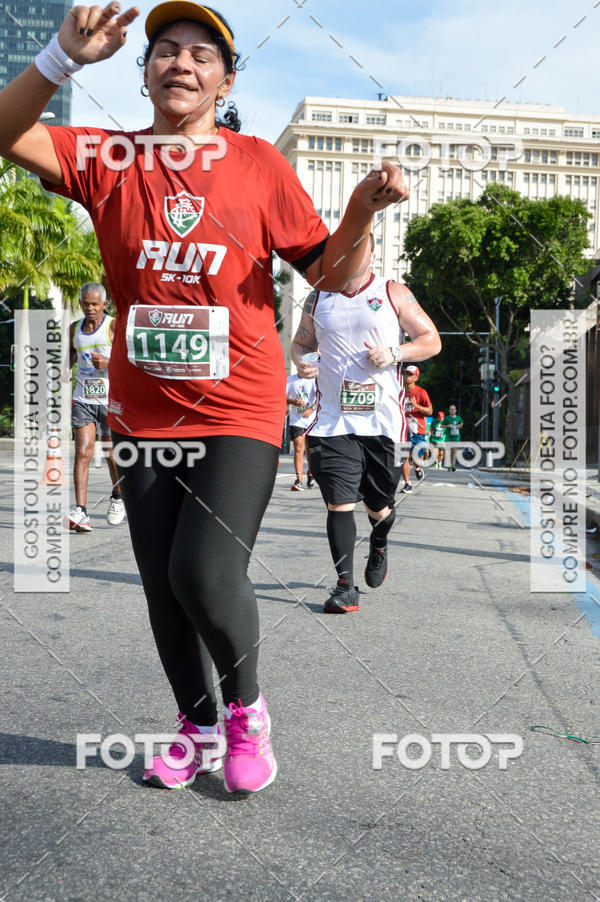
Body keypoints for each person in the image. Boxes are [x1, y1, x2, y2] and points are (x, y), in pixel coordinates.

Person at [0, 1, 409, 793]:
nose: (180, 63)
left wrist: (360, 208)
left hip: (239, 406)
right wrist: (60, 56)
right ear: (145, 71)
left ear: (226, 77)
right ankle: (194, 726)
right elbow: (8, 134)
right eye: (164, 51)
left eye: (201, 54)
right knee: (161, 584)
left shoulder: (259, 162)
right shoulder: (108, 155)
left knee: (205, 571)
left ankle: (246, 713)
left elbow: (326, 273)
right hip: (142, 408)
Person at [292, 236, 441, 613]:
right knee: (339, 503)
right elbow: (300, 343)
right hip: (331, 422)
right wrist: (301, 361)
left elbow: (431, 340)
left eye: (358, 251)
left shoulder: (393, 292)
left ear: (371, 254)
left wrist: (395, 352)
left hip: (382, 423)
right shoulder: (318, 297)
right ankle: (345, 586)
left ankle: (379, 540)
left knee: (378, 505)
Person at [64, 282, 125, 532]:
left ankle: (117, 498)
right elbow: (70, 353)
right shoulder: (73, 329)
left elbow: (131, 360)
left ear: (104, 304)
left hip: (110, 401)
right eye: (85, 303)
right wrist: (66, 367)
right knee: (83, 451)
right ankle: (81, 511)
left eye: (94, 304)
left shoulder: (113, 326)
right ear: (80, 303)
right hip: (83, 399)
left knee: (111, 455)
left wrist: (110, 362)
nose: (90, 308)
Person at [400, 365, 433, 493]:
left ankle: (417, 467)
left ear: (416, 377)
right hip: (403, 430)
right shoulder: (399, 390)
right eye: (405, 373)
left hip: (418, 430)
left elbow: (430, 411)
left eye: (410, 374)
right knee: (404, 457)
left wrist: (416, 405)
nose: (407, 376)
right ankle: (408, 483)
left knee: (415, 458)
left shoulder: (421, 392)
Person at [286, 372, 316, 490]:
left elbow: (321, 397)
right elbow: (281, 397)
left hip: (312, 421)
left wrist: (311, 409)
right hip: (296, 420)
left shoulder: (314, 380)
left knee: (310, 451)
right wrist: (293, 401)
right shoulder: (291, 379)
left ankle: (310, 473)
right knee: (299, 448)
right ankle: (299, 480)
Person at [441, 404, 464, 470]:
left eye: (453, 409)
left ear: (456, 410)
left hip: (456, 437)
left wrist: (460, 426)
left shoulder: (458, 418)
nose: (452, 410)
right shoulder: (447, 418)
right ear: (449, 410)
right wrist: (447, 426)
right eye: (451, 409)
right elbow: (441, 425)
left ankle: (453, 465)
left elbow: (461, 422)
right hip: (449, 437)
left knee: (454, 451)